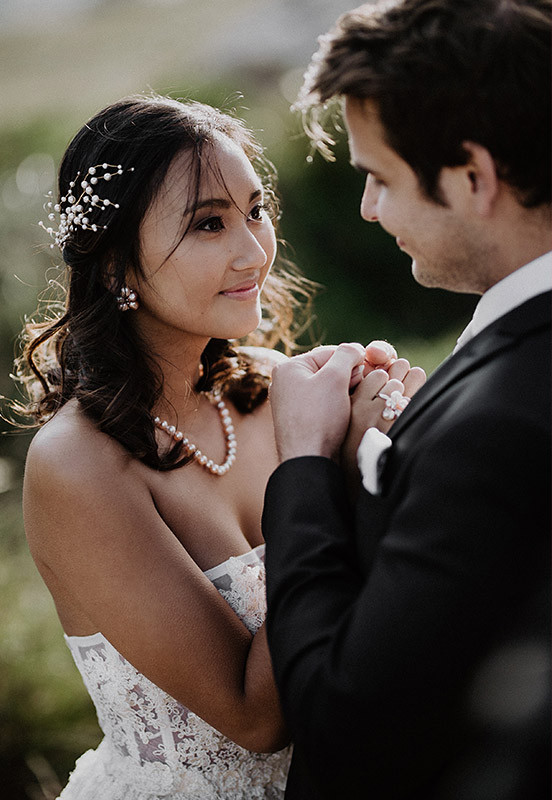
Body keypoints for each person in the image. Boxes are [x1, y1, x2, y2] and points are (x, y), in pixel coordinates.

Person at [18, 94, 423, 798]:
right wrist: (327, 472)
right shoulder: (77, 465)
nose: (253, 250)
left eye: (256, 210)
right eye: (209, 223)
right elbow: (255, 716)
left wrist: (388, 445)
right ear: (115, 264)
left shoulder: (280, 387)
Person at [263, 1, 552, 799]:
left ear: (471, 175)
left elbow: (344, 722)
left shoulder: (497, 426)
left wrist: (305, 466)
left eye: (379, 178)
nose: (366, 208)